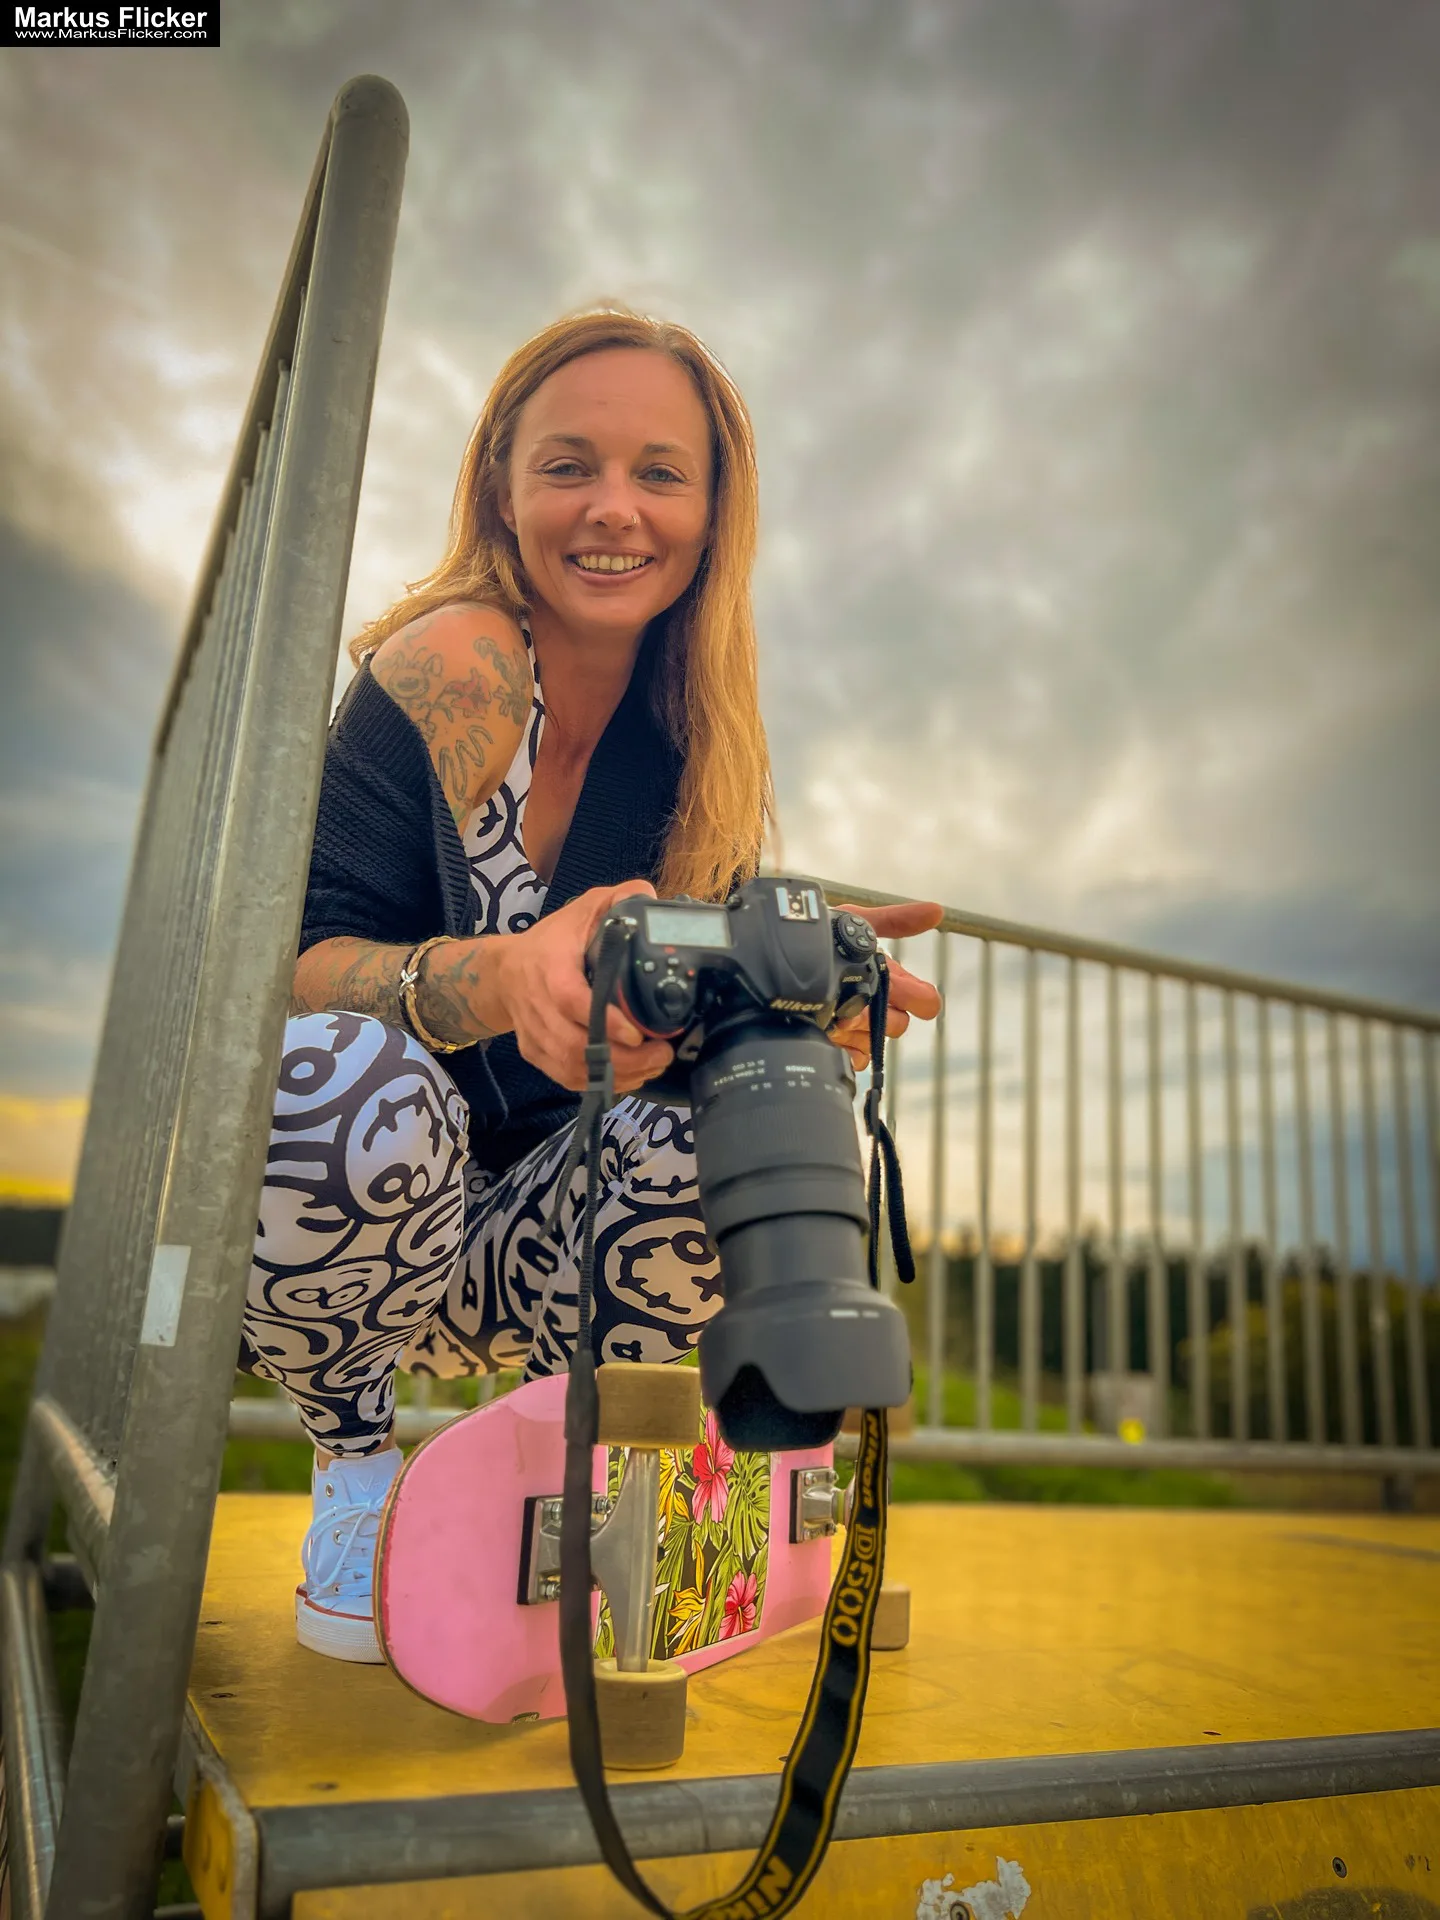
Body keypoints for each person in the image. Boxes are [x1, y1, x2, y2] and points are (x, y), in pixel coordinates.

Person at [239, 307, 943, 1662]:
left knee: (732, 1118)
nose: (614, 509)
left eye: (659, 473)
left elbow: (660, 1053)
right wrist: (504, 976)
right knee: (345, 1076)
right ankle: (354, 1464)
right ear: (503, 486)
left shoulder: (698, 749)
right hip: (346, 1220)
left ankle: (588, 1473)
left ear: (713, 508)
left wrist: (778, 1008)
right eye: (569, 465)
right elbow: (285, 978)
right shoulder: (462, 663)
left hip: (533, 1238)